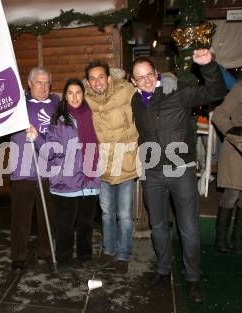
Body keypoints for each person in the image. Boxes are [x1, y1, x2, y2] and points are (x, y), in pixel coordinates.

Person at [130, 49, 226, 303]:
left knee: (190, 230)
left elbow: (214, 92)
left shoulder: (176, 91)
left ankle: (193, 278)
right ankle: (163, 270)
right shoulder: (136, 102)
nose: (146, 80)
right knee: (158, 226)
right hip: (153, 173)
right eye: (140, 77)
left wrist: (208, 66)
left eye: (150, 75)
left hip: (181, 170)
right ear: (133, 82)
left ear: (157, 74)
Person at [28, 79, 100, 269]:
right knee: (66, 224)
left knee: (86, 223)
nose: (75, 97)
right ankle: (64, 258)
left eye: (78, 92)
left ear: (84, 94)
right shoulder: (59, 121)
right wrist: (36, 138)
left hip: (90, 180)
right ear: (65, 97)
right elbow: (51, 151)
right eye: (70, 93)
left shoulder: (93, 115)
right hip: (66, 180)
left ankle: (85, 257)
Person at [84, 61, 139, 274]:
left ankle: (123, 255)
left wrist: (167, 79)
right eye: (93, 78)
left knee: (124, 214)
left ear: (108, 78)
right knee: (107, 212)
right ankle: (109, 250)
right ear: (88, 82)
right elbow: (65, 101)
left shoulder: (126, 90)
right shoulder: (86, 99)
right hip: (102, 165)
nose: (97, 81)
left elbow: (148, 88)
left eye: (101, 77)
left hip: (125, 163)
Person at [9, 67, 58, 271]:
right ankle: (19, 256)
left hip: (49, 169)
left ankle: (47, 251)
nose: (43, 87)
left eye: (47, 82)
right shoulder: (18, 105)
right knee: (21, 217)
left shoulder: (56, 104)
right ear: (29, 84)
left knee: (49, 215)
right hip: (22, 168)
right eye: (39, 82)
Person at [212, 80, 242, 255]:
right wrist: (234, 133)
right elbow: (219, 114)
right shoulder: (240, 88)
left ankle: (238, 241)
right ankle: (221, 239)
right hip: (236, 149)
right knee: (232, 194)